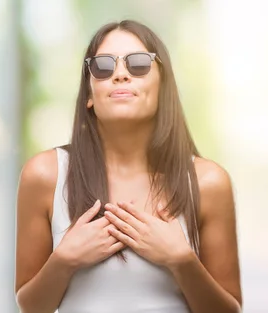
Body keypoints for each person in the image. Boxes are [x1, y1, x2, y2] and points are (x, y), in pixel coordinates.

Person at [14, 20, 242, 313]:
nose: (120, 74)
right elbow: (31, 307)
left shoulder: (208, 182)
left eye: (138, 64)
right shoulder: (45, 175)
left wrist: (181, 259)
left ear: (164, 87)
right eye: (103, 67)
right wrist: (65, 259)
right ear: (88, 95)